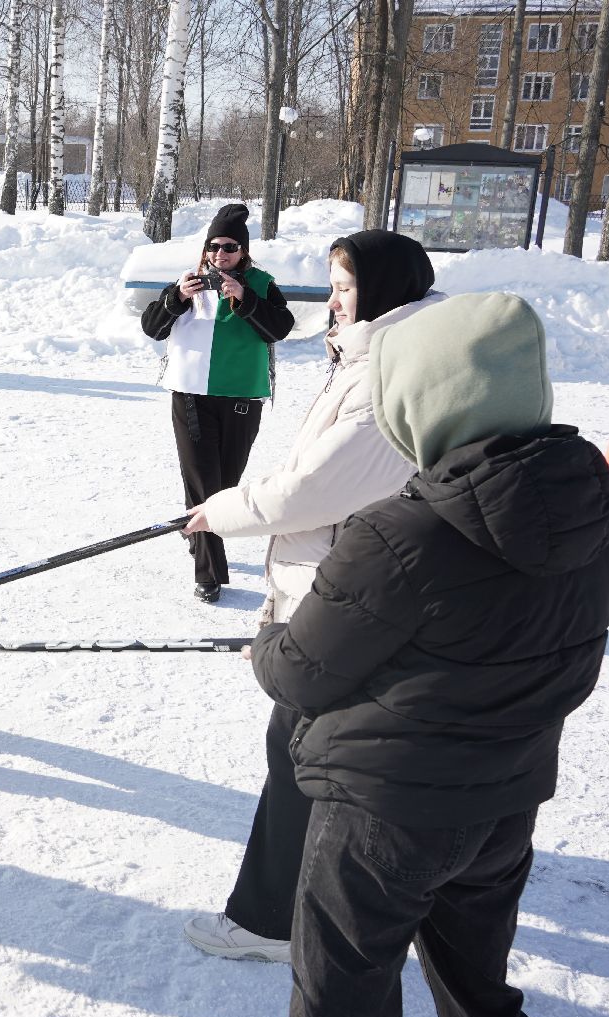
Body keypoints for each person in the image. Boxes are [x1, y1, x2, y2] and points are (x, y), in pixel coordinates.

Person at [251, 293, 609, 1017]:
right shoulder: (588, 512)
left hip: (383, 814)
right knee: (480, 992)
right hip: (505, 802)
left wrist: (271, 635)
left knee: (339, 1014)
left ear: (420, 402)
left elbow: (297, 675)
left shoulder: (397, 533)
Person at [180, 230, 442, 964]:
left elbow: (316, 490)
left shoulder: (388, 373)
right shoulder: (376, 356)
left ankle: (272, 922)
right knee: (324, 750)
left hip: (347, 592)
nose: (332, 301)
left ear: (383, 292)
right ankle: (370, 889)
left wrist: (221, 511)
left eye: (345, 288)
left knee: (299, 748)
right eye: (332, 286)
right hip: (347, 584)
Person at [140, 203, 294, 603]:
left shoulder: (261, 284)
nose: (220, 254)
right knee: (204, 481)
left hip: (242, 397)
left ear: (243, 251)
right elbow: (152, 327)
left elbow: (280, 329)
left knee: (223, 486)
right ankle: (209, 573)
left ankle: (196, 530)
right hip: (190, 394)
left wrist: (245, 298)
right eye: (213, 246)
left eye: (229, 247)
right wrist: (176, 298)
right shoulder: (187, 282)